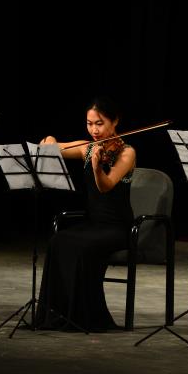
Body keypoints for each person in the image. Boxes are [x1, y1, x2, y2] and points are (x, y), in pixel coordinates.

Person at [34, 96, 136, 332]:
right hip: (94, 224)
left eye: (99, 123)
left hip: (118, 228)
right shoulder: (86, 148)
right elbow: (53, 146)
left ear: (115, 121)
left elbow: (106, 186)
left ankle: (85, 316)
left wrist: (97, 167)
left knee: (81, 246)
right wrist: (49, 141)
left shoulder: (127, 153)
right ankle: (61, 314)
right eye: (89, 124)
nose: (94, 130)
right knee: (58, 240)